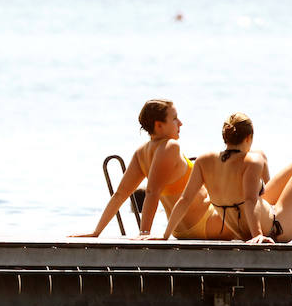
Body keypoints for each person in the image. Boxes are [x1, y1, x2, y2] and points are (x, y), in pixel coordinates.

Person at [160, 112, 292, 244]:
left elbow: (185, 199)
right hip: (276, 227)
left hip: (244, 222)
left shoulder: (204, 160)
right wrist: (258, 235)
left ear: (225, 137)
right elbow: (250, 200)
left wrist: (165, 235)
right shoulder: (252, 161)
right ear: (249, 137)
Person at [74, 99, 235, 240]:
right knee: (258, 190)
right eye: (174, 119)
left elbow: (120, 195)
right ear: (159, 125)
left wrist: (96, 232)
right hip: (209, 222)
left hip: (181, 230)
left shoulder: (141, 152)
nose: (180, 123)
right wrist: (144, 233)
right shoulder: (170, 147)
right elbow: (152, 192)